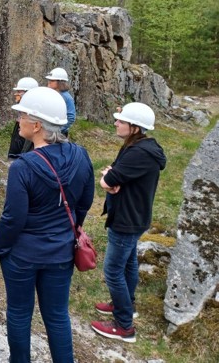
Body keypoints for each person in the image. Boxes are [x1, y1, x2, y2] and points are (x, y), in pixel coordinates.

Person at [0, 86, 94, 363]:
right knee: (57, 315)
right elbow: (85, 201)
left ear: (36, 125)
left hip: (22, 255)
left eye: (22, 115)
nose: (18, 120)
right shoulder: (81, 155)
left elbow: (13, 219)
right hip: (61, 251)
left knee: (19, 313)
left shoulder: (23, 166)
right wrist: (71, 228)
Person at [91, 102, 166, 344]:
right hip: (134, 216)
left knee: (113, 271)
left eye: (121, 121)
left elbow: (108, 180)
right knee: (128, 264)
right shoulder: (137, 147)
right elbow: (115, 175)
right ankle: (126, 305)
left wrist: (108, 178)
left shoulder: (138, 153)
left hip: (127, 219)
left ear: (135, 127)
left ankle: (124, 326)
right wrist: (112, 178)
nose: (116, 123)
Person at [7, 77, 39, 159]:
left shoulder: (35, 108)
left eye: (19, 92)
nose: (16, 94)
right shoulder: (21, 106)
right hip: (19, 130)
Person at [45, 67, 75, 136]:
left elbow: (71, 117)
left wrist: (58, 130)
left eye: (52, 80)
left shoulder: (67, 98)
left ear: (60, 82)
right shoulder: (49, 94)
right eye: (49, 80)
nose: (49, 82)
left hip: (59, 134)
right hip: (46, 131)